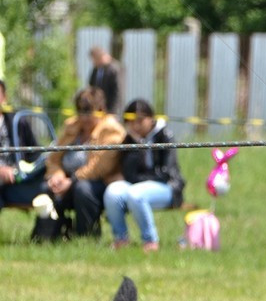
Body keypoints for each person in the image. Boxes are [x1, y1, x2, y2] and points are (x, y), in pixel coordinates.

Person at [103, 99, 185, 252]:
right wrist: (137, 145)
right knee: (112, 192)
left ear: (151, 117)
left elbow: (166, 172)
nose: (135, 125)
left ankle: (150, 241)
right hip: (137, 185)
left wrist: (139, 180)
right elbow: (128, 172)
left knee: (135, 193)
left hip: (167, 187)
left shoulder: (165, 135)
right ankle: (121, 238)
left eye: (140, 120)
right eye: (130, 122)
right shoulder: (130, 139)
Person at [45, 87, 125, 236]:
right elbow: (53, 158)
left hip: (100, 183)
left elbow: (98, 168)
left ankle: (86, 236)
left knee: (82, 189)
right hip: (68, 179)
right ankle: (48, 236)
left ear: (101, 109)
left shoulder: (112, 130)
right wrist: (57, 175)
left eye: (89, 111)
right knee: (47, 187)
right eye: (81, 111)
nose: (85, 117)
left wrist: (71, 181)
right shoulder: (72, 126)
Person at [0, 79, 49, 210]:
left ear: (4, 97)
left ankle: (46, 229)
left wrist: (23, 169)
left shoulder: (19, 121)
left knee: (48, 186)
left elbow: (35, 153)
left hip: (18, 180)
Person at [88, 46, 123, 115]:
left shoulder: (114, 70)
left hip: (110, 109)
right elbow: (91, 87)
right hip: (97, 110)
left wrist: (112, 111)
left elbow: (117, 92)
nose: (93, 61)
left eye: (95, 58)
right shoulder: (95, 70)